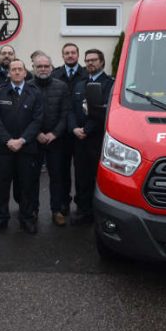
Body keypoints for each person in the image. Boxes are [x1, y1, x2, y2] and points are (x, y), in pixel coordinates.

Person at [0, 59, 44, 234]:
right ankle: (0, 219)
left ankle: (26, 218)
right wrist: (8, 140)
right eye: (14, 69)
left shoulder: (35, 92)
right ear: (9, 73)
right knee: (1, 185)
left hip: (26, 149)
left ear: (26, 72)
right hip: (3, 148)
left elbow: (37, 120)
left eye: (20, 69)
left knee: (26, 185)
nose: (17, 72)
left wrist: (22, 140)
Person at [67, 49, 113, 225]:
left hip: (97, 140)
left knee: (98, 177)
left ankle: (98, 213)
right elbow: (70, 109)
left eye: (94, 60)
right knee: (80, 176)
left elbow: (104, 111)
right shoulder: (80, 84)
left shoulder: (109, 84)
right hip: (79, 139)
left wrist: (86, 129)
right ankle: (83, 209)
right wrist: (74, 128)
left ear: (102, 62)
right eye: (87, 61)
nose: (90, 63)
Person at [30, 53, 70, 226]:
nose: (43, 69)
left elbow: (65, 113)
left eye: (46, 66)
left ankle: (57, 210)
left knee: (57, 177)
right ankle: (32, 210)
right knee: (31, 177)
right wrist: (36, 133)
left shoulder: (61, 87)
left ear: (52, 68)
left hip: (56, 139)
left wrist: (54, 134)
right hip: (34, 139)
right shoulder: (28, 86)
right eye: (39, 66)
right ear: (34, 68)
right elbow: (25, 114)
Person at [50, 42, 88, 216]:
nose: (70, 55)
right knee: (61, 171)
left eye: (73, 52)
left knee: (82, 172)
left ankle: (81, 203)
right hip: (61, 133)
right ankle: (64, 202)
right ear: (62, 55)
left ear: (78, 55)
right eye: (67, 53)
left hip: (82, 133)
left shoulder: (87, 74)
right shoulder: (55, 74)